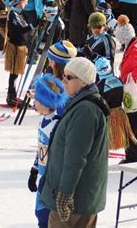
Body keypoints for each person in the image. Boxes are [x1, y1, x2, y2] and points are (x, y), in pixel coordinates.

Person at [40, 57, 110, 227]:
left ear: (84, 81)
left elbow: (75, 158)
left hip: (75, 201)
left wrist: (65, 194)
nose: (63, 80)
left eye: (69, 77)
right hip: (79, 198)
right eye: (64, 75)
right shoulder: (81, 105)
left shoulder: (85, 111)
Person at [28, 74, 68, 228]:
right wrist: (34, 169)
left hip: (52, 179)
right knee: (39, 212)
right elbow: (41, 149)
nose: (34, 101)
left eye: (37, 99)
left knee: (46, 215)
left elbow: (59, 154)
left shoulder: (55, 125)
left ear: (46, 102)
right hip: (43, 176)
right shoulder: (44, 121)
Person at [114, 17, 137, 163]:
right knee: (134, 127)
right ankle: (131, 157)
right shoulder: (135, 46)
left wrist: (129, 78)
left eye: (119, 38)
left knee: (130, 130)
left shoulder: (135, 50)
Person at [4, 0, 35, 106]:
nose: (25, 3)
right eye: (23, 1)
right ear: (17, 3)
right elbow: (23, 29)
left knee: (16, 72)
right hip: (16, 46)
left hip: (20, 45)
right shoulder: (13, 14)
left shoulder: (19, 13)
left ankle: (12, 95)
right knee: (14, 72)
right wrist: (33, 25)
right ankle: (11, 96)